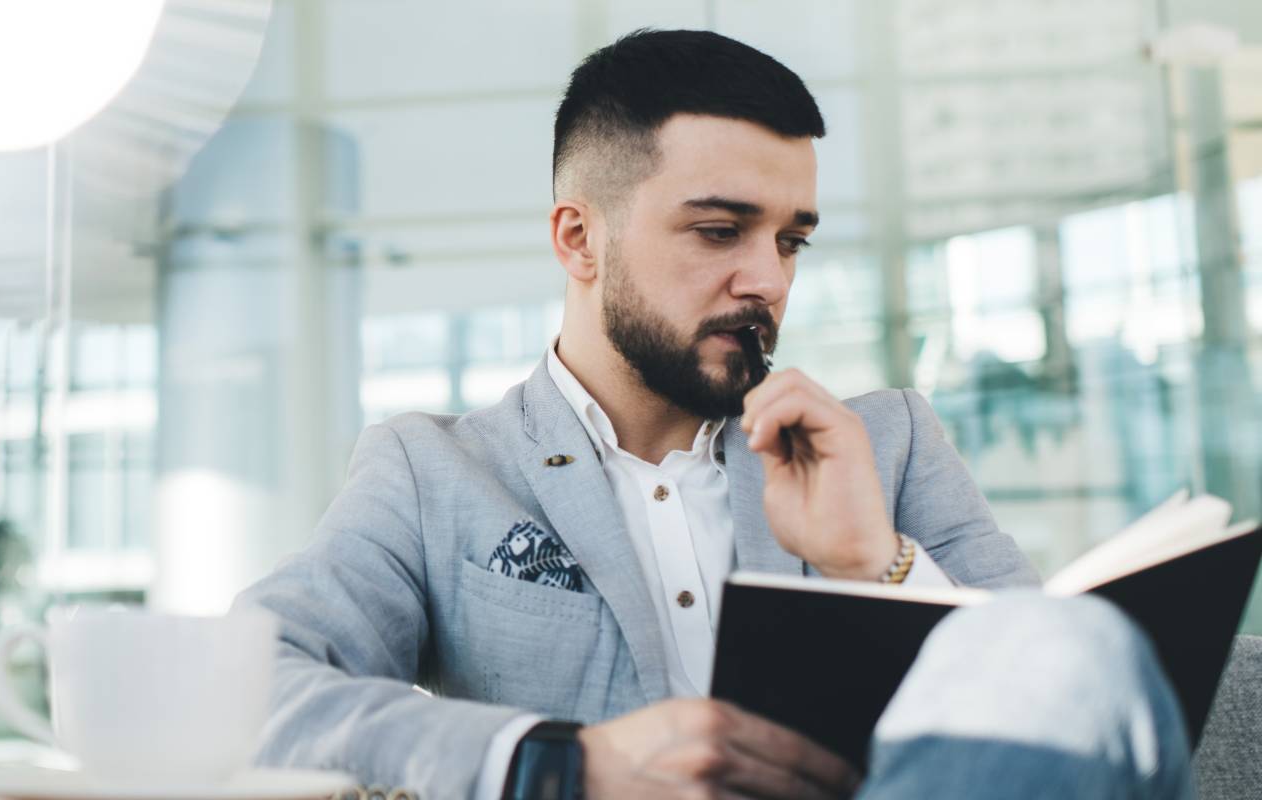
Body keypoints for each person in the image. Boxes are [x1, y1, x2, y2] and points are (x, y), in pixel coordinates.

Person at [234, 29, 1192, 800]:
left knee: (1073, 648)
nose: (767, 279)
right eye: (719, 230)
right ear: (580, 238)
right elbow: (243, 687)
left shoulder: (889, 443)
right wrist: (565, 765)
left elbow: (1069, 718)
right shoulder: (432, 471)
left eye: (791, 240)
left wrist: (877, 561)